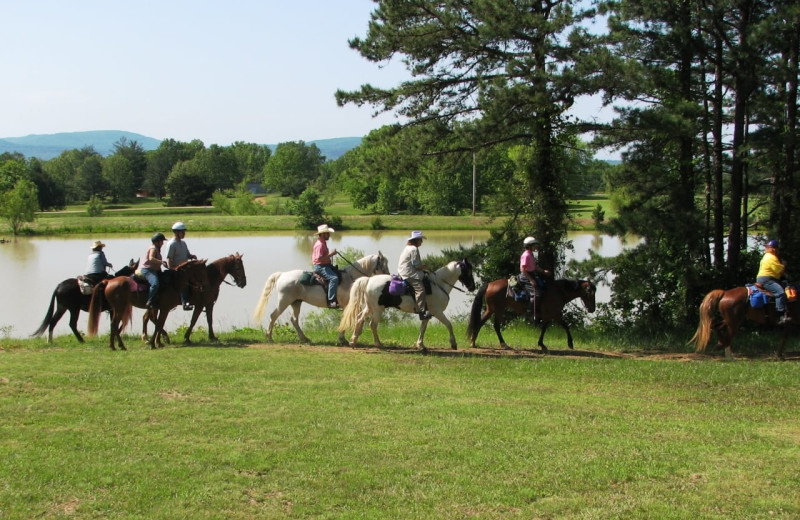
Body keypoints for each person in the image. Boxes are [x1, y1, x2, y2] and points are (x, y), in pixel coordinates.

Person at [398, 230, 432, 320]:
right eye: (420, 240)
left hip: (404, 271)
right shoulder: (414, 249)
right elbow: (416, 265)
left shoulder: (407, 248)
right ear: (416, 240)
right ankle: (422, 312)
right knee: (420, 289)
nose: (422, 241)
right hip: (409, 273)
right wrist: (424, 267)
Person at [757, 239, 790, 324]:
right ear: (774, 249)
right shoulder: (771, 257)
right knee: (780, 293)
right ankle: (780, 316)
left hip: (767, 278)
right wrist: (784, 265)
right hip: (767, 279)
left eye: (767, 247)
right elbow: (780, 271)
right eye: (777, 249)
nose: (766, 248)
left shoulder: (767, 256)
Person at [166, 221, 197, 310]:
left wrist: (192, 256)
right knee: (185, 283)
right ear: (176, 232)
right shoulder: (172, 244)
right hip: (177, 269)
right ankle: (185, 303)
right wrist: (172, 269)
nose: (184, 234)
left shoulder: (183, 243)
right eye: (182, 232)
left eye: (184, 232)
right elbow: (169, 259)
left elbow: (187, 254)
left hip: (186, 268)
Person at [312, 224, 340, 308]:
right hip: (320, 267)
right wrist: (331, 254)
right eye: (327, 233)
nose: (329, 235)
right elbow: (319, 259)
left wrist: (329, 254)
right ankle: (331, 301)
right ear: (323, 234)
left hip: (325, 265)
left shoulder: (322, 242)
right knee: (334, 278)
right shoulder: (320, 245)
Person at [520, 236, 547, 319]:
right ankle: (529, 313)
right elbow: (523, 269)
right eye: (534, 245)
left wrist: (543, 271)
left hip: (531, 274)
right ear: (529, 246)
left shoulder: (531, 254)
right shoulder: (526, 255)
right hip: (526, 276)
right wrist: (531, 280)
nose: (535, 247)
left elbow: (534, 267)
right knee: (537, 294)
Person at [141, 232, 166, 309]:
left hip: (155, 270)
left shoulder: (157, 249)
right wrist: (161, 262)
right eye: (162, 241)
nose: (163, 243)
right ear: (157, 242)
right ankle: (149, 301)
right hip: (148, 270)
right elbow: (151, 258)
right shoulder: (153, 248)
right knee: (155, 284)